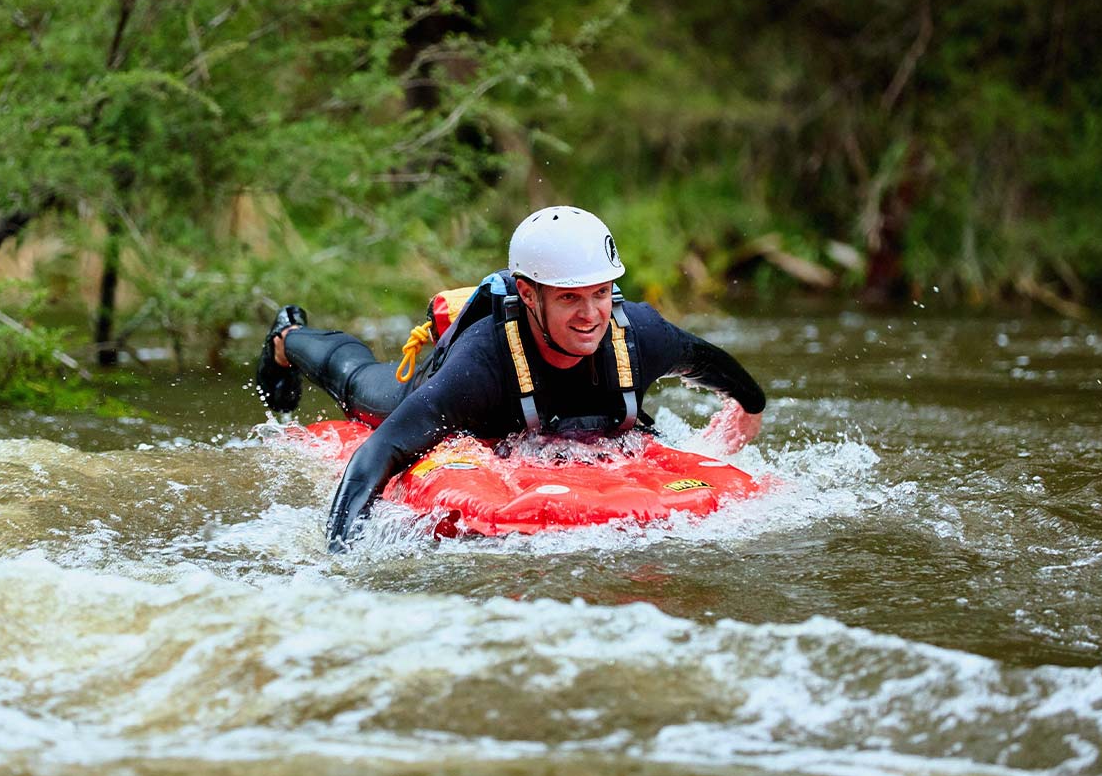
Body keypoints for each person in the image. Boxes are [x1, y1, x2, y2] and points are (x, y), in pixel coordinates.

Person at [256, 206, 766, 552]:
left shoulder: (641, 334)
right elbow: (380, 451)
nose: (591, 315)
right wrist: (342, 558)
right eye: (569, 297)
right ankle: (287, 337)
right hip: (450, 393)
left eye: (601, 293)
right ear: (527, 293)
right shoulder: (481, 366)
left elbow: (708, 361)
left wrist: (750, 407)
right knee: (362, 387)